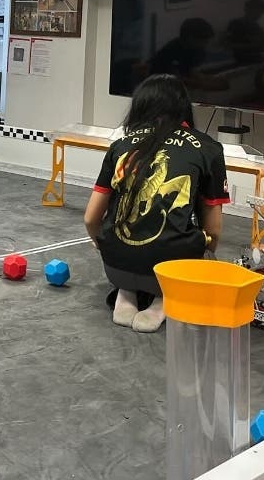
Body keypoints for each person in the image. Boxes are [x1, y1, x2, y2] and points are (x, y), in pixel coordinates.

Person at [83, 74, 230, 332]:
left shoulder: (120, 146)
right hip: (170, 274)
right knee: (204, 250)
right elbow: (214, 230)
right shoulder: (208, 148)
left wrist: (104, 245)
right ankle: (164, 300)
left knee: (127, 239)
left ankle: (126, 293)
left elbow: (90, 218)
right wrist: (205, 255)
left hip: (115, 266)